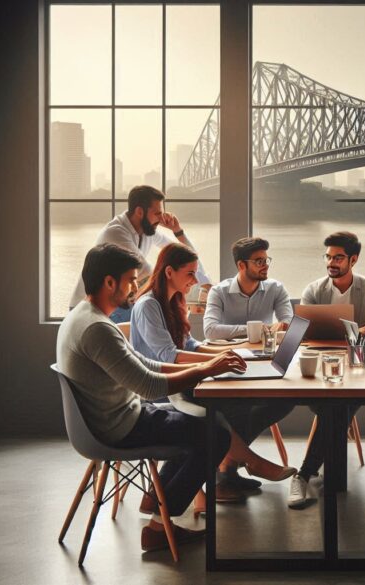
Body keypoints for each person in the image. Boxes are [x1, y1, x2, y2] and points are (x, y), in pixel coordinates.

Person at [56, 243, 245, 553]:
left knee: (196, 425)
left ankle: (157, 501)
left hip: (112, 418)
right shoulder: (98, 329)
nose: (134, 287)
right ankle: (159, 527)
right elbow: (150, 386)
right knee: (216, 435)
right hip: (118, 427)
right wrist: (204, 369)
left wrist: (203, 365)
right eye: (130, 279)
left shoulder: (83, 316)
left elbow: (144, 364)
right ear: (109, 282)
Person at [129, 243, 296, 497]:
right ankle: (244, 466)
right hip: (162, 386)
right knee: (225, 408)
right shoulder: (148, 305)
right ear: (169, 272)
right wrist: (210, 365)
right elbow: (168, 355)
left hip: (181, 380)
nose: (195, 280)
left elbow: (192, 345)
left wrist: (229, 354)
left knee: (241, 404)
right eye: (190, 273)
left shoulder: (174, 301)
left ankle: (224, 475)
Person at [289, 232, 365, 508]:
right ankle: (313, 467)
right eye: (328, 257)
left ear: (353, 259)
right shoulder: (315, 288)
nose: (331, 262)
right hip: (321, 364)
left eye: (338, 257)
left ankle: (304, 474)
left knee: (340, 406)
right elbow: (301, 325)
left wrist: (363, 330)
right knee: (337, 409)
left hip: (357, 363)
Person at [68, 185, 211, 322]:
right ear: (139, 212)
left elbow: (188, 257)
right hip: (90, 308)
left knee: (165, 312)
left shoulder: (147, 231)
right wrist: (183, 290)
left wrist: (178, 231)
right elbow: (147, 276)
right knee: (162, 312)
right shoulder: (116, 233)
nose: (161, 219)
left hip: (119, 303)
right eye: (157, 214)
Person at [203, 237, 293, 340]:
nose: (266, 266)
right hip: (229, 352)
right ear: (241, 265)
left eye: (266, 261)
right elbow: (210, 331)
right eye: (259, 262)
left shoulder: (276, 289)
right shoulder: (218, 292)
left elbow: (289, 321)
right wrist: (257, 329)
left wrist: (283, 324)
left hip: (262, 351)